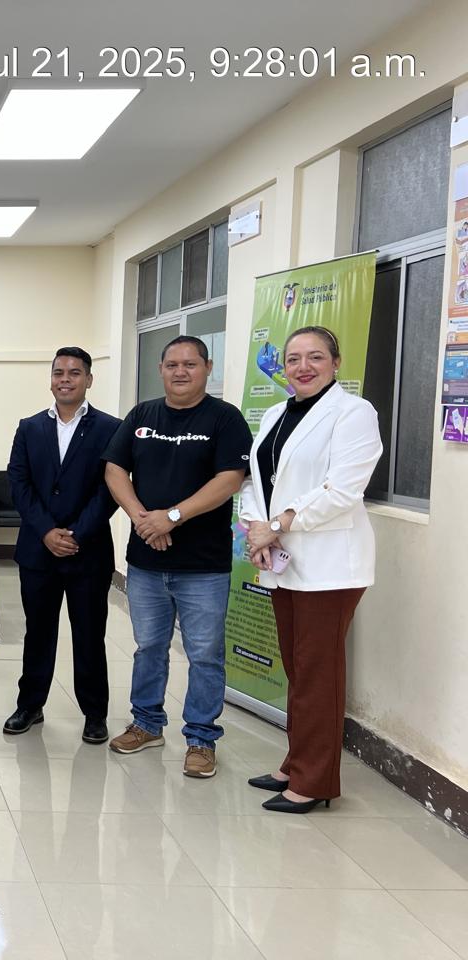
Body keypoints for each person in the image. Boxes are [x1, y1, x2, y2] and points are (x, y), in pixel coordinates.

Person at [240, 326, 382, 813]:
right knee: (297, 668)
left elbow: (342, 490)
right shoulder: (276, 414)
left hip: (330, 566)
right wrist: (255, 529)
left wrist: (277, 526)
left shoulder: (354, 413)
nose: (303, 367)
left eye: (316, 357)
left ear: (336, 363)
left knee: (318, 672)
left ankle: (314, 781)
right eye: (294, 358)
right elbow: (256, 480)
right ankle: (295, 763)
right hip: (283, 561)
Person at [102, 335, 252, 778]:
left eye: (190, 364)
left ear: (208, 368)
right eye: (172, 364)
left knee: (204, 653)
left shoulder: (224, 418)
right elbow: (114, 469)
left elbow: (230, 479)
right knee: (149, 647)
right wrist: (143, 519)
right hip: (146, 561)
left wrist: (172, 517)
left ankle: (201, 739)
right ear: (161, 369)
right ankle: (147, 723)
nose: (180, 371)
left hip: (203, 565)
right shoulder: (142, 415)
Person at [5, 347, 121, 744]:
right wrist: (46, 532)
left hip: (88, 551)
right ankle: (30, 705)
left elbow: (111, 489)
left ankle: (95, 714)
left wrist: (75, 534)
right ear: (51, 379)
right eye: (59, 372)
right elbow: (19, 483)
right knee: (38, 633)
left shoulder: (111, 428)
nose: (65, 379)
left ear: (89, 379)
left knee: (89, 635)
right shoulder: (29, 427)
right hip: (38, 551)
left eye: (74, 372)